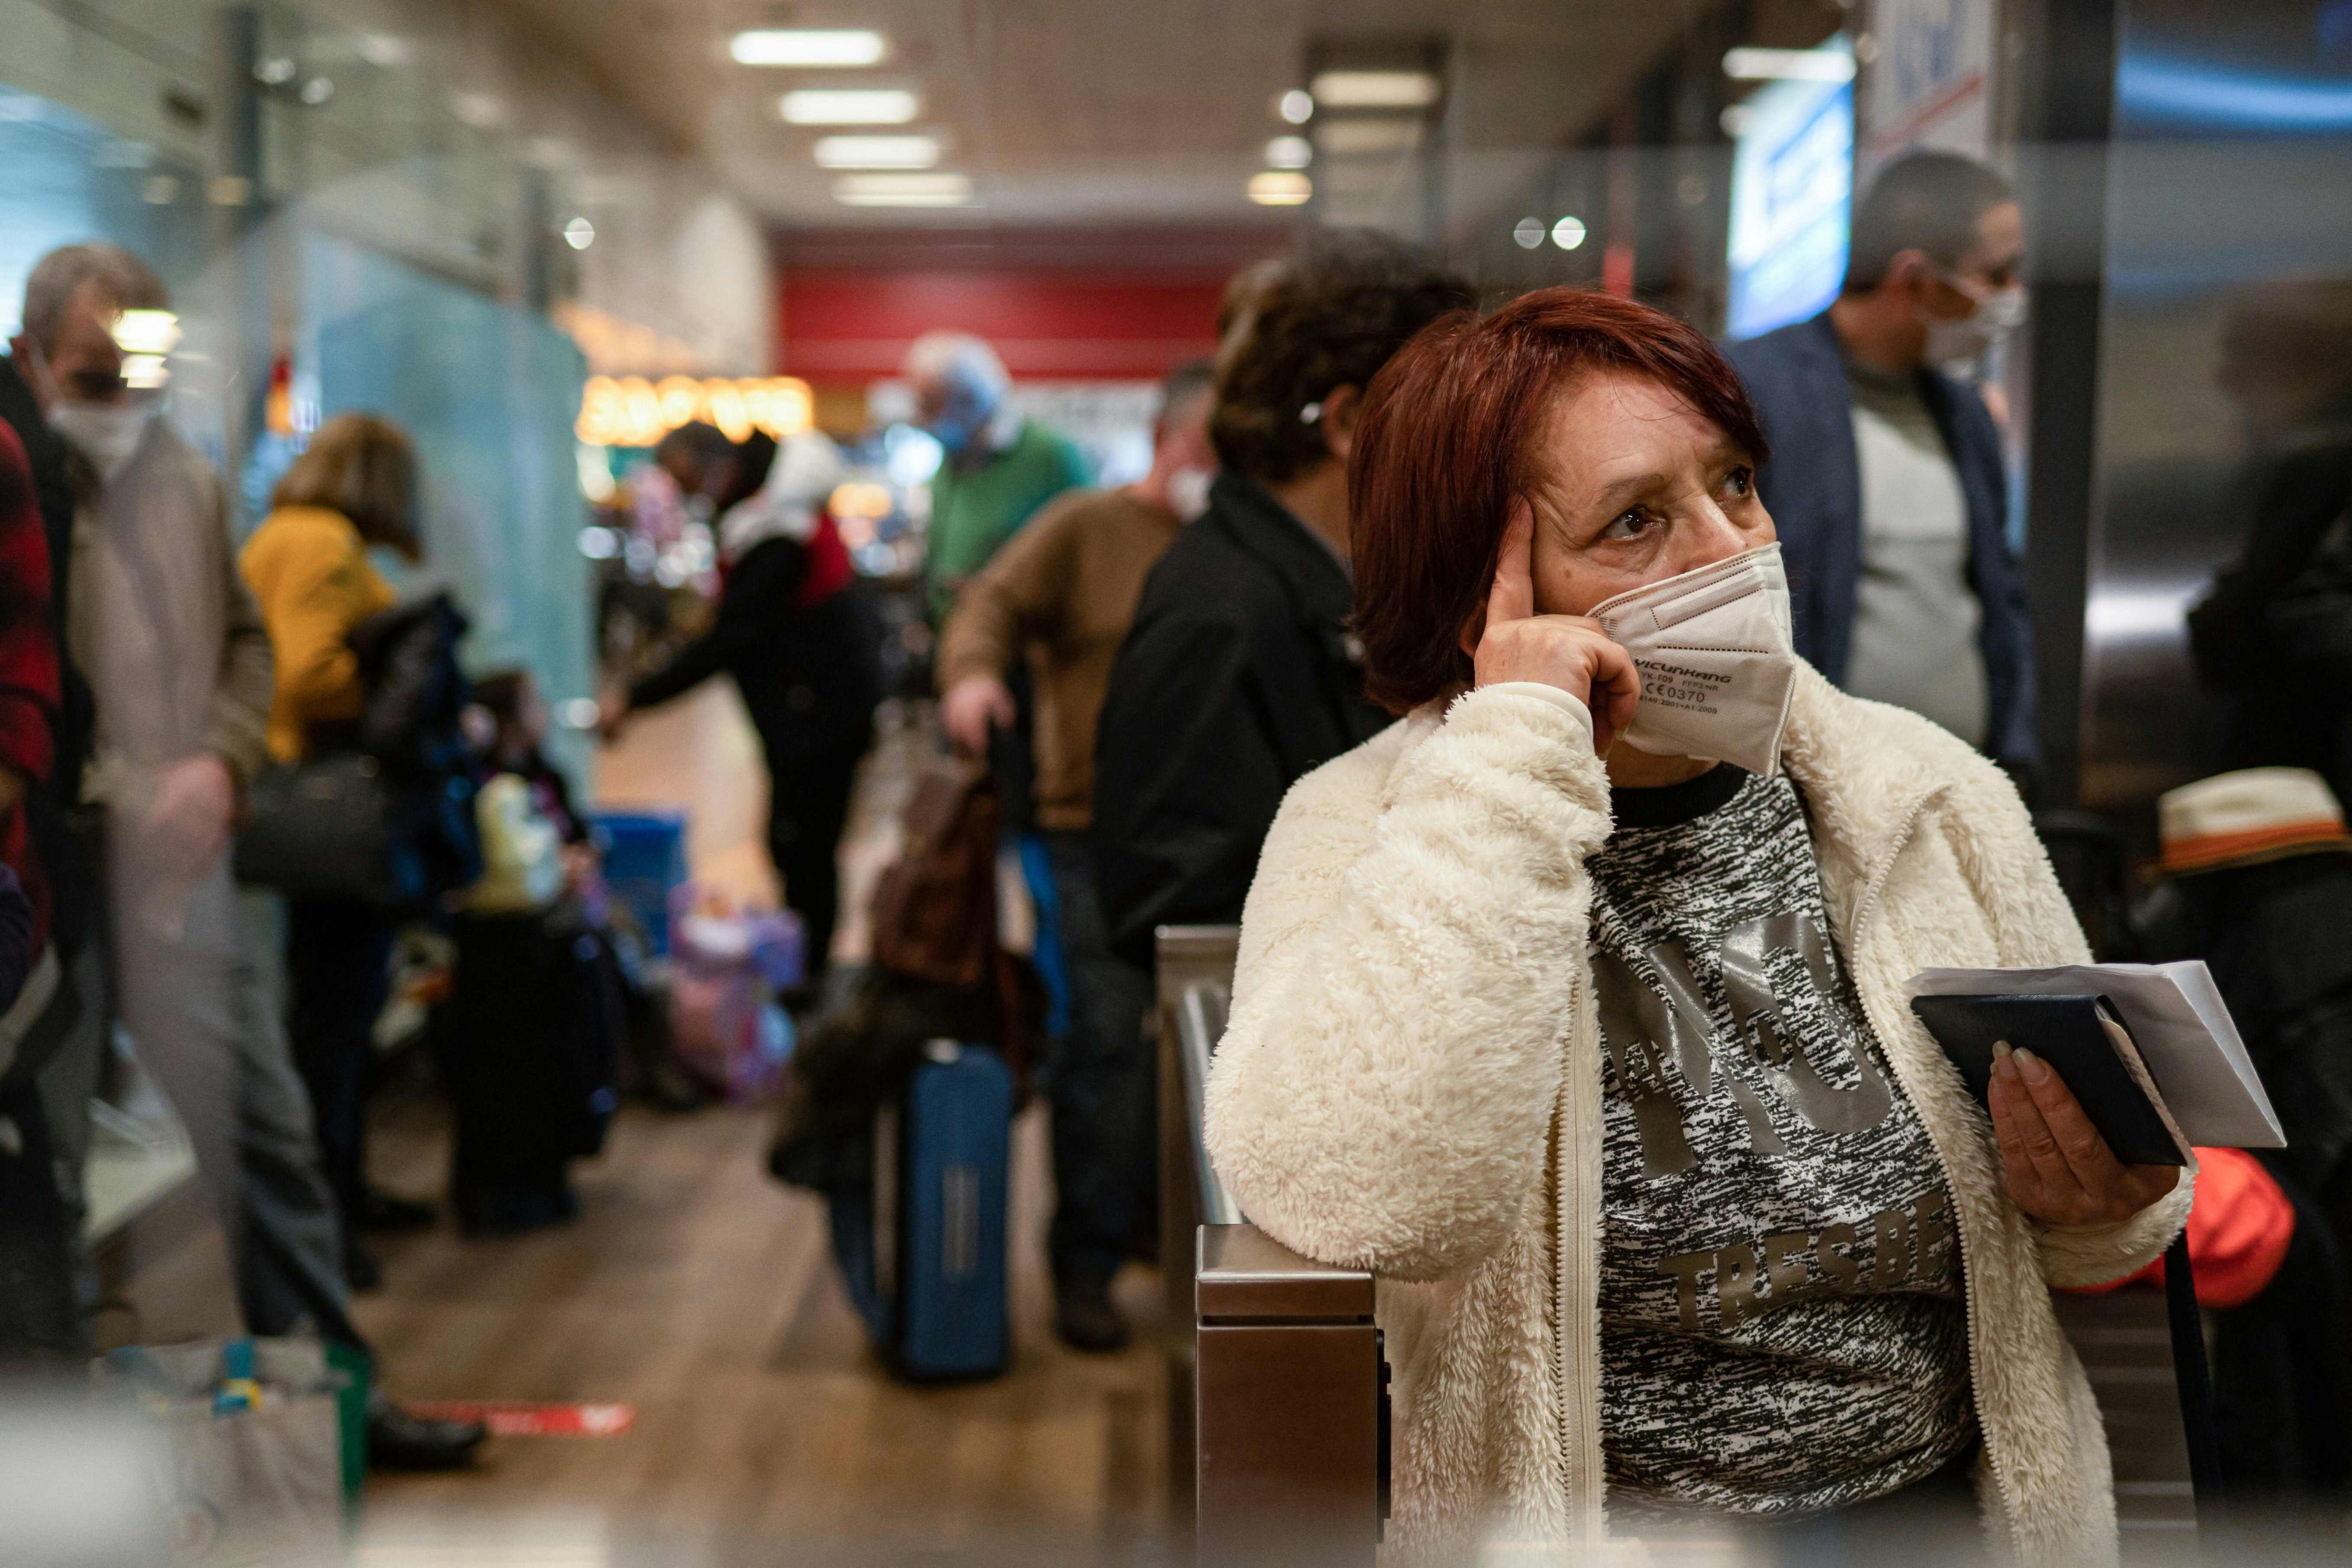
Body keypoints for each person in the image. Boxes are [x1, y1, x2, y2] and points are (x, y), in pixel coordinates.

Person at [1203, 288, 2189, 1562]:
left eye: (1734, 482)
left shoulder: (1921, 794)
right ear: (1480, 591)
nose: (1731, 551)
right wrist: (1514, 745)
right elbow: (1394, 1200)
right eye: (1634, 521)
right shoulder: (1358, 829)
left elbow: (2086, 1224)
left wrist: (2101, 1197)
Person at [934, 359, 1217, 1350]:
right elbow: (987, 608)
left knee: (1205, 1048)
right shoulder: (1086, 529)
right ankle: (1087, 1259)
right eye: (1211, 444)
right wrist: (972, 679)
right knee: (1100, 1040)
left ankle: (1166, 1227)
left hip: (1220, 834)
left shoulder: (1240, 547)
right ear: (1169, 438)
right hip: (1088, 827)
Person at [1091, 233, 1472, 965]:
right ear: (1348, 422)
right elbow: (1179, 916)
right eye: (1443, 415)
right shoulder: (1221, 610)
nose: (1463, 450)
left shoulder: (1302, 581)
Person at [25, 245, 274, 1326]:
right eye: (92, 380)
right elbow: (31, 690)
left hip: (182, 867)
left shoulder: (185, 475)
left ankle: (326, 1387)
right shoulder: (15, 476)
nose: (121, 404)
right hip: (54, 874)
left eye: (141, 377)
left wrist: (219, 762)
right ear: (31, 357)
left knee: (270, 1139)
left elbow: (244, 639)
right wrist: (134, 793)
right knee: (51, 1168)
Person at [1724, 150, 2037, 787]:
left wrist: (2019, 752)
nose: (2012, 297)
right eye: (1997, 274)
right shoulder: (1754, 391)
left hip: (1963, 788)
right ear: (1915, 280)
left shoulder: (1965, 415)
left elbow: (1998, 597)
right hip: (1817, 797)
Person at [239, 411, 432, 1286]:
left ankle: (338, 1200)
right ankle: (328, 1222)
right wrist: (405, 688)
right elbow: (309, 673)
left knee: (332, 1021)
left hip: (305, 802)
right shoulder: (321, 543)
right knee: (331, 1025)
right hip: (319, 807)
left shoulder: (297, 533)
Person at [603, 426, 883, 982]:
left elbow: (732, 638)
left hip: (820, 721)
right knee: (793, 845)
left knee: (804, 849)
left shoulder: (776, 528)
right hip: (808, 715)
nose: (685, 494)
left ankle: (809, 984)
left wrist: (635, 697)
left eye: (683, 479)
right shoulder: (766, 512)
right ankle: (803, 971)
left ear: (706, 462)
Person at [2186, 278, 2352, 806]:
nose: (2227, 379)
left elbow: (2241, 631)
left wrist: (2222, 613)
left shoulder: (2321, 468)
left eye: (2247, 354)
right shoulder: (2302, 465)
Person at [907, 332, 1090, 624]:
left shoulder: (1051, 456)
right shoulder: (951, 456)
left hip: (1020, 646)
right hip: (955, 638)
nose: (919, 417)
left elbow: (1090, 563)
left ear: (969, 399)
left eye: (929, 404)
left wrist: (1001, 595)